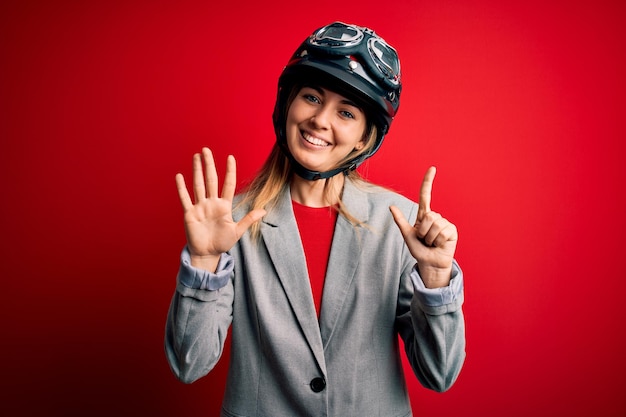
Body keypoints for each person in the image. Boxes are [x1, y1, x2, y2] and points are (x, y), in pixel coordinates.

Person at [165, 21, 465, 417]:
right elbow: (189, 363)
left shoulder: (404, 226)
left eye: (345, 111)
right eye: (311, 97)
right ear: (288, 104)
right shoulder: (231, 223)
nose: (321, 120)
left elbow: (438, 374)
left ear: (363, 138)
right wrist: (203, 263)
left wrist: (436, 280)